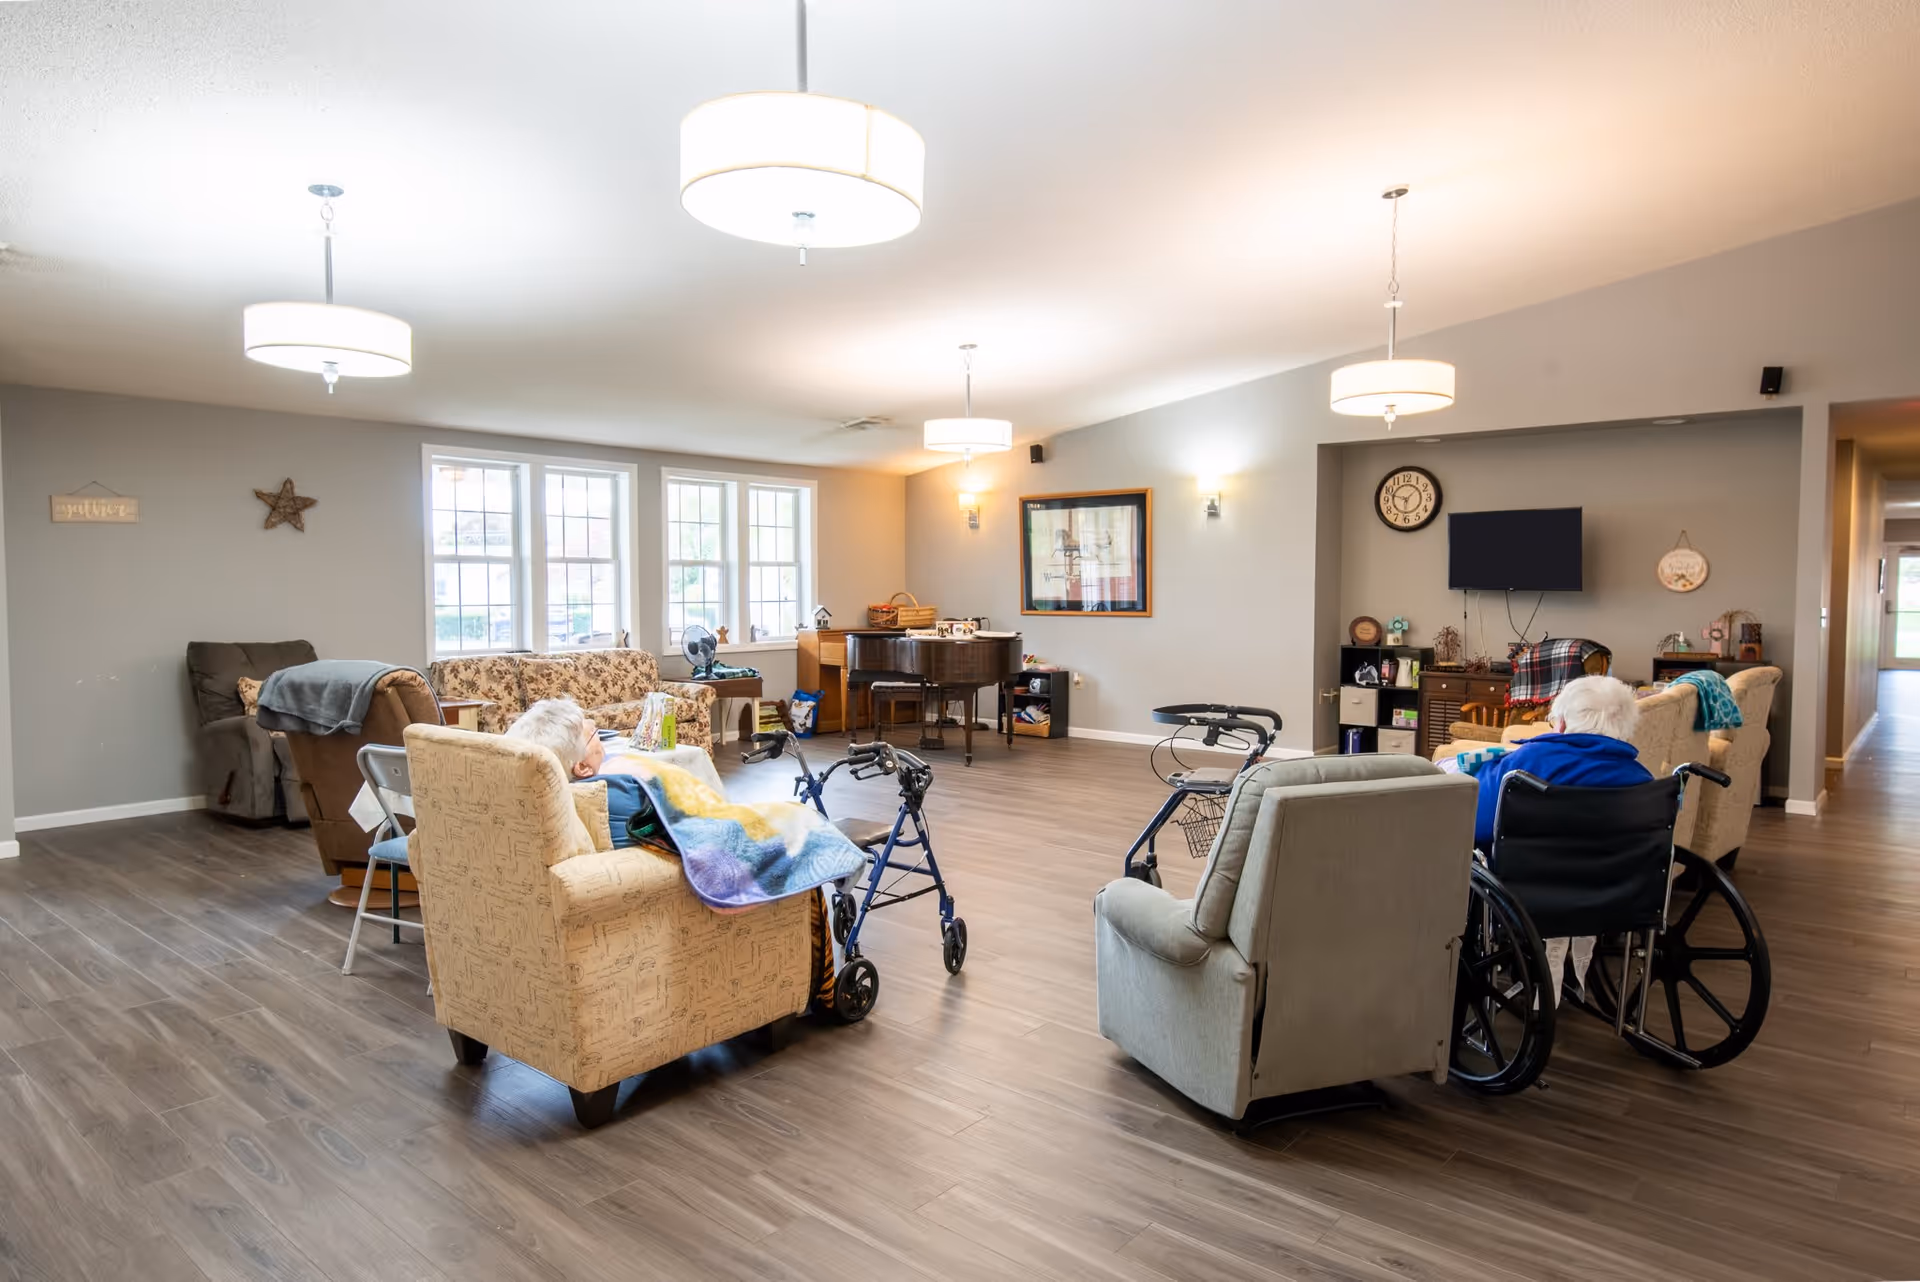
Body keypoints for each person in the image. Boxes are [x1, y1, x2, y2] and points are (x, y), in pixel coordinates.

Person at [1469, 675, 1653, 1003]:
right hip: (1610, 893)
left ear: (1563, 724)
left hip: (1526, 894)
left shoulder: (1526, 765)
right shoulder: (1641, 779)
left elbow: (1477, 824)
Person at [1471, 674, 1651, 850]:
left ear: (1562, 723)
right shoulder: (1644, 782)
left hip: (1522, 878)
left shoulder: (1528, 763)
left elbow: (1473, 824)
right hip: (1616, 880)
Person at [505, 698, 654, 847]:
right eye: (592, 732)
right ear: (582, 768)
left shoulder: (519, 794)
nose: (595, 729)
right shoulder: (620, 792)